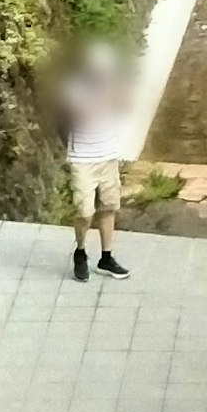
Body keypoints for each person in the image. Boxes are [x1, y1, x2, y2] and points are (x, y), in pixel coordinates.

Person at [61, 41, 131, 282]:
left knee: (109, 206)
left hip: (108, 154)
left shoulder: (113, 82)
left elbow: (125, 106)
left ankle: (106, 257)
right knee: (84, 210)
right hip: (83, 159)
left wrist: (119, 94)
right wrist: (103, 98)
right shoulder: (74, 87)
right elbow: (81, 117)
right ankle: (80, 252)